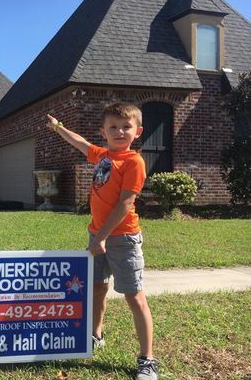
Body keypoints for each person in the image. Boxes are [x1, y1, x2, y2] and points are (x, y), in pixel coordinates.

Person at [46, 102, 158, 380]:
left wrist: (101, 237)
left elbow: (125, 204)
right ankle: (96, 336)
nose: (119, 131)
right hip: (98, 236)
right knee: (97, 288)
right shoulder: (103, 156)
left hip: (122, 238)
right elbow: (81, 143)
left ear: (138, 131)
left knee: (134, 296)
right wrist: (59, 127)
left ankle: (147, 359)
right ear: (104, 131)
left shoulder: (133, 162)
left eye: (126, 127)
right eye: (113, 127)